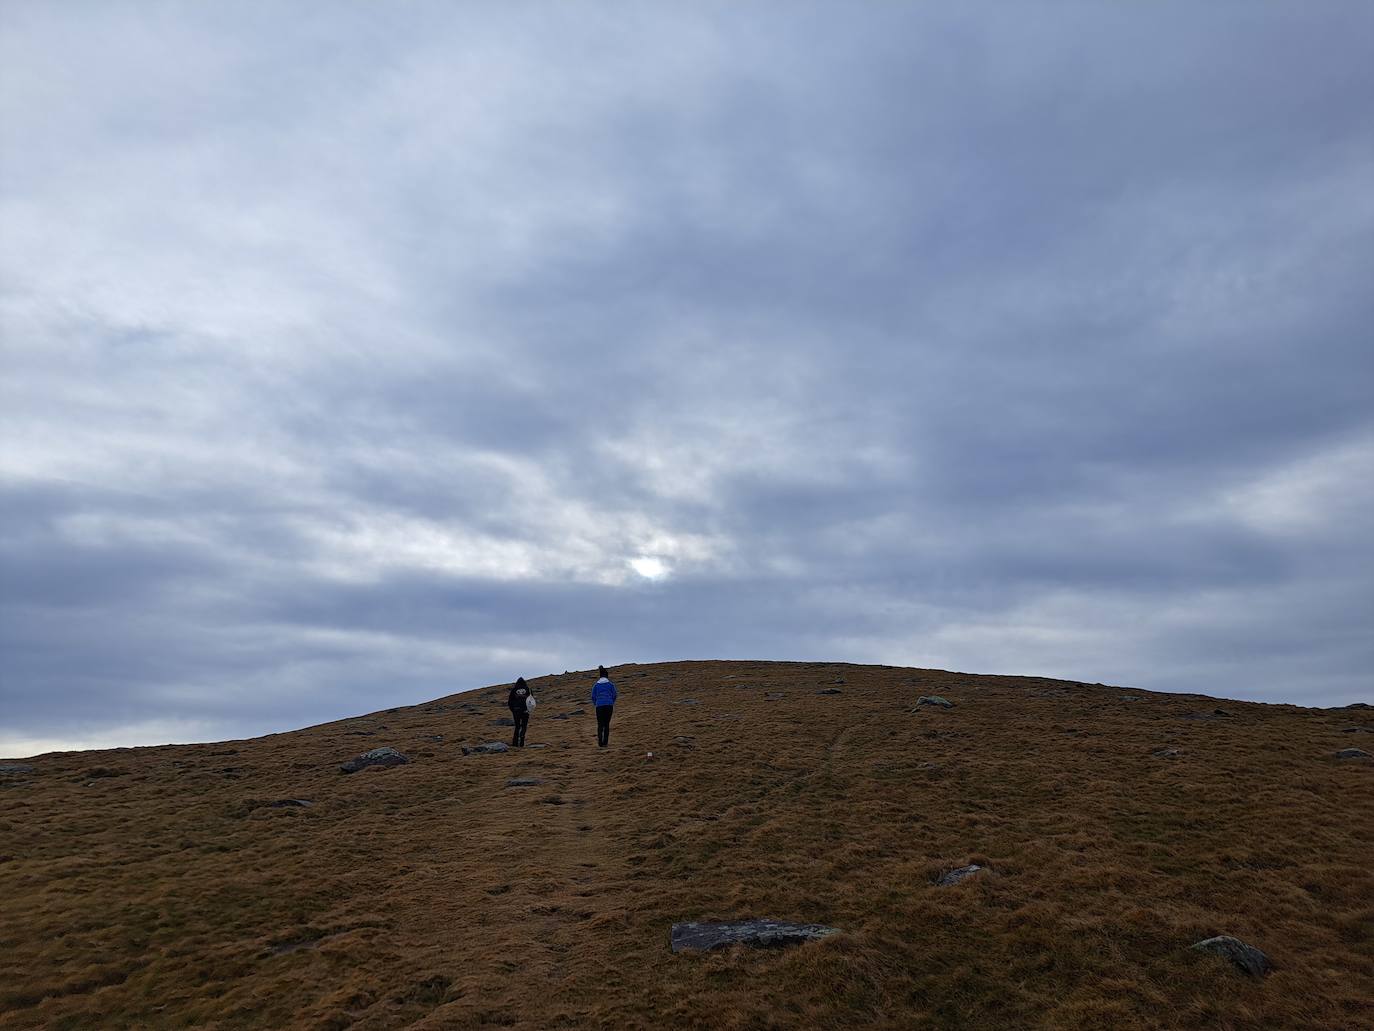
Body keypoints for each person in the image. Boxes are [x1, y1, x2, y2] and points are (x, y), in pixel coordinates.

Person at [591, 665, 617, 747]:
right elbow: (615, 695)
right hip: (609, 705)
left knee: (600, 724)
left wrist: (596, 703)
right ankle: (605, 743)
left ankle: (600, 743)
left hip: (599, 706)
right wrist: (611, 702)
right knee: (606, 724)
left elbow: (593, 696)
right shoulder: (611, 685)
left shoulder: (596, 685)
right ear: (607, 676)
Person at [508, 677, 533, 747]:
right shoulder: (528, 689)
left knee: (517, 726)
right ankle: (521, 742)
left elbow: (510, 701)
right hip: (525, 711)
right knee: (524, 726)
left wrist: (513, 710)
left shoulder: (514, 690)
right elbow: (531, 701)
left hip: (516, 711)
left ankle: (515, 743)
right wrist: (529, 710)